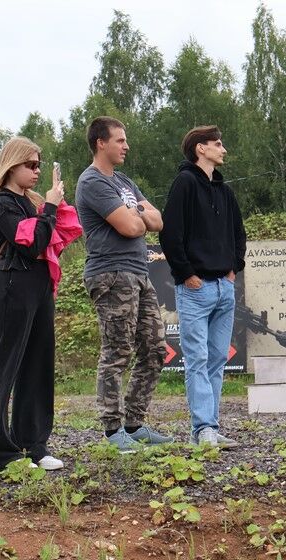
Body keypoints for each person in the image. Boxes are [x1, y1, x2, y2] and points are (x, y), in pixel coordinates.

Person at [0, 136, 68, 474]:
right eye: (31, 165)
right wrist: (49, 208)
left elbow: (59, 237)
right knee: (5, 366)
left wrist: (52, 206)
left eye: (40, 165)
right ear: (12, 166)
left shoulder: (30, 201)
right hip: (12, 286)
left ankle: (33, 445)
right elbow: (32, 243)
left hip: (39, 285)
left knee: (38, 366)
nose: (37, 171)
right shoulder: (0, 204)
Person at [75, 116, 171, 453]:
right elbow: (131, 227)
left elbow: (157, 221)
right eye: (120, 140)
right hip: (111, 275)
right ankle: (112, 429)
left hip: (139, 273)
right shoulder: (92, 182)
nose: (126, 146)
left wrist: (137, 215)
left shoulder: (124, 182)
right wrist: (138, 216)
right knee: (117, 350)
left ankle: (134, 423)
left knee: (155, 348)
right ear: (100, 142)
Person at [159, 125, 246, 447]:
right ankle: (203, 429)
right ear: (201, 148)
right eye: (218, 144)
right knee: (197, 359)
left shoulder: (225, 192)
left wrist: (234, 269)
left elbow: (238, 233)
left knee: (217, 359)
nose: (223, 150)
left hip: (224, 287)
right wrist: (186, 274)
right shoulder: (184, 183)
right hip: (195, 289)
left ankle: (210, 427)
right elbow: (170, 233)